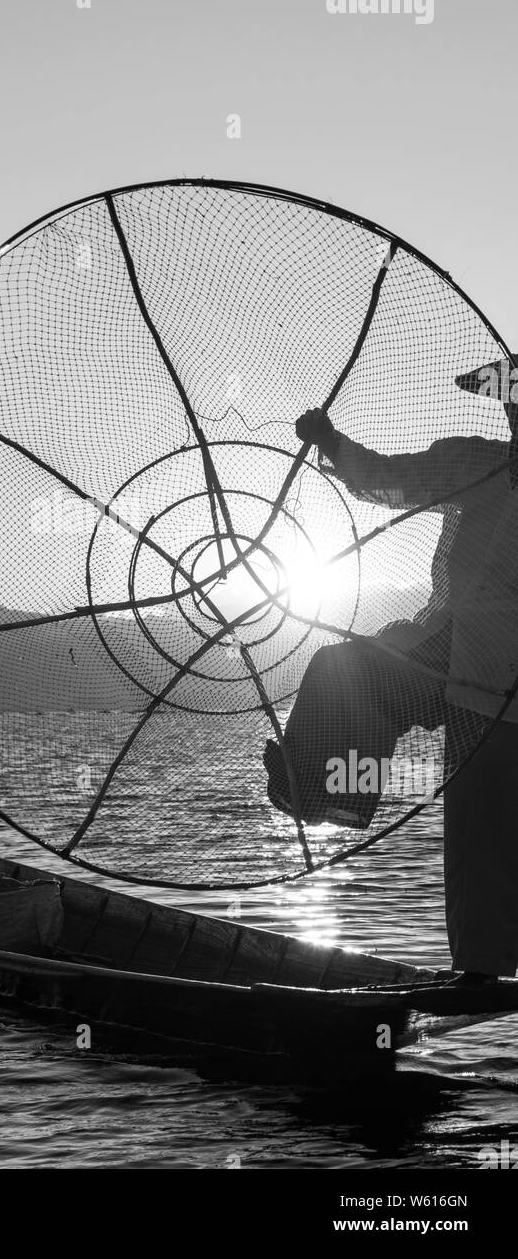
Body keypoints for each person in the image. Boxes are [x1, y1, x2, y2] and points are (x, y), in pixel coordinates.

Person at [282, 360, 518, 982]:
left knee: (486, 826)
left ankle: (484, 970)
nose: (512, 411)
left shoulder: (481, 467)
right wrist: (331, 443)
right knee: (344, 671)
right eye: (511, 401)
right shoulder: (474, 463)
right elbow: (389, 477)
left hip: (486, 682)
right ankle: (319, 788)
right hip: (461, 665)